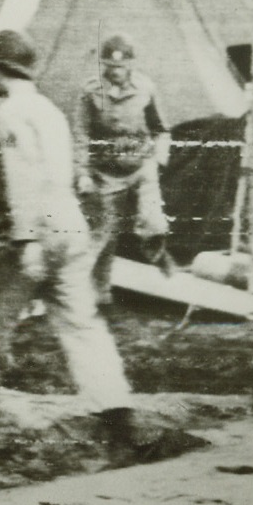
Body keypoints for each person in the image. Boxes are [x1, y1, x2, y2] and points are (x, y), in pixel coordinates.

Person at [0, 29, 136, 445]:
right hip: (70, 225)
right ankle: (117, 413)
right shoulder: (49, 109)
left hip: (40, 226)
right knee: (82, 324)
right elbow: (65, 173)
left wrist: (27, 240)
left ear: (3, 69)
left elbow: (23, 177)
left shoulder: (11, 113)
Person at [74, 32, 174, 306]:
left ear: (131, 65)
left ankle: (160, 255)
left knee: (152, 220)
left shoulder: (146, 88)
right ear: (104, 65)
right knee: (104, 233)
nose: (116, 71)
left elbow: (161, 129)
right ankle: (100, 294)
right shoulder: (90, 91)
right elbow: (81, 134)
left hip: (141, 166)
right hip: (107, 172)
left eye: (121, 66)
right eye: (111, 66)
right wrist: (82, 173)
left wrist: (159, 159)